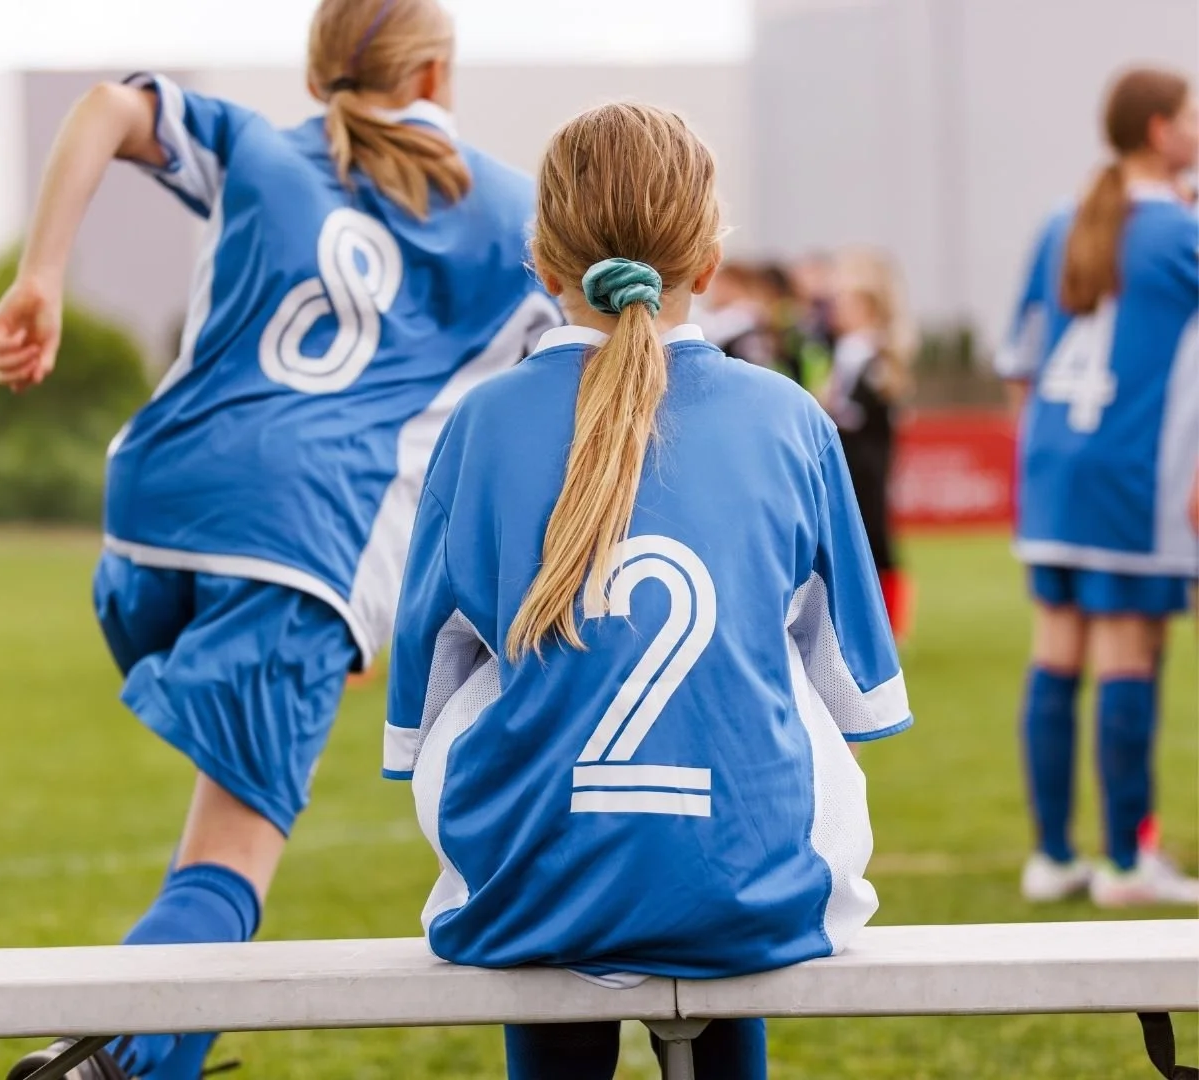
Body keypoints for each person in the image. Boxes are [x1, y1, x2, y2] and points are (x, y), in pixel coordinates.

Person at [0, 1, 562, 1075]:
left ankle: (131, 1043)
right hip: (301, 544)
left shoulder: (257, 147)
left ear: (316, 73)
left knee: (226, 793)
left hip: (149, 524)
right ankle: (114, 1064)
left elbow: (106, 105)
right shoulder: (514, 213)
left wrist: (41, 276)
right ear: (436, 72)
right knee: (226, 866)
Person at [384, 102, 909, 1080]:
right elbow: (856, 697)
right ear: (708, 262)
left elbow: (422, 706)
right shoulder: (789, 418)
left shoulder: (481, 423)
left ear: (542, 262)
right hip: (755, 885)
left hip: (529, 892)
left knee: (522, 778)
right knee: (755, 758)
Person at [995, 65, 1199, 908]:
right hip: (1134, 471)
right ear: (1160, 130)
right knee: (1127, 653)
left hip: (1054, 464)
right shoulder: (1183, 231)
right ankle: (1124, 863)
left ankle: (1052, 857)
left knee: (1056, 650)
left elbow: (1018, 361)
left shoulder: (1062, 219)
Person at [819, 247, 915, 642]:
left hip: (867, 464)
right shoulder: (847, 350)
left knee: (875, 537)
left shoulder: (875, 353)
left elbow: (862, 411)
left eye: (847, 301)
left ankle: (891, 625)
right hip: (850, 460)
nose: (837, 309)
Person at [692, 260, 778, 371]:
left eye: (722, 285)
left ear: (735, 285)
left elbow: (707, 334)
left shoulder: (741, 315)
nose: (716, 291)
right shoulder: (755, 314)